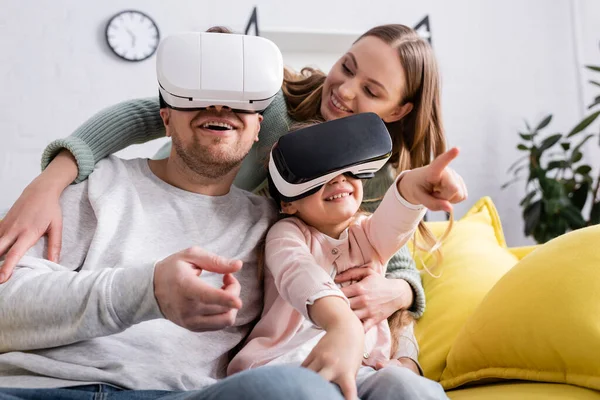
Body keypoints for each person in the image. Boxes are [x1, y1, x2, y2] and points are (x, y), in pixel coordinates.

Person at [0, 24, 443, 352]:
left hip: (233, 250)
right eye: (346, 66)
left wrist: (402, 294)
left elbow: (386, 256)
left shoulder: (373, 181)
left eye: (370, 89)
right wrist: (52, 178)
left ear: (398, 111)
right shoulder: (270, 105)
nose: (344, 89)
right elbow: (147, 112)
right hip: (154, 215)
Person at [0, 31, 345, 400]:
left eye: (238, 100)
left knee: (295, 390)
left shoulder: (274, 226)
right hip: (39, 385)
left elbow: (358, 243)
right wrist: (147, 290)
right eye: (200, 96)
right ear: (165, 118)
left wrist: (400, 289)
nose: (219, 108)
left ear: (259, 125)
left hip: (178, 396)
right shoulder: (91, 185)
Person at [226, 117, 465, 400]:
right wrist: (342, 324)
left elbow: (396, 218)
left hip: (364, 370)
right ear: (288, 202)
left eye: (345, 168)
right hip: (290, 365)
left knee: (403, 383)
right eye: (318, 173)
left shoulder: (369, 234)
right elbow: (301, 275)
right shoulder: (286, 235)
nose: (338, 178)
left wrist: (416, 185)